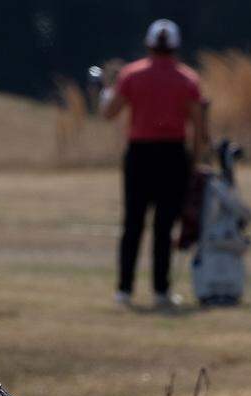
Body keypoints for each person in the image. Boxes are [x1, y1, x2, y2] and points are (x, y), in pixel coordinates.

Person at [100, 18, 207, 309]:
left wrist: (106, 89)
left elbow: (109, 113)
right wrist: (195, 161)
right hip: (173, 156)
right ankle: (161, 291)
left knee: (133, 224)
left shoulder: (131, 75)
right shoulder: (188, 79)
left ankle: (124, 290)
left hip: (140, 155)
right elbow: (199, 126)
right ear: (175, 47)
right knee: (164, 227)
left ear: (149, 45)